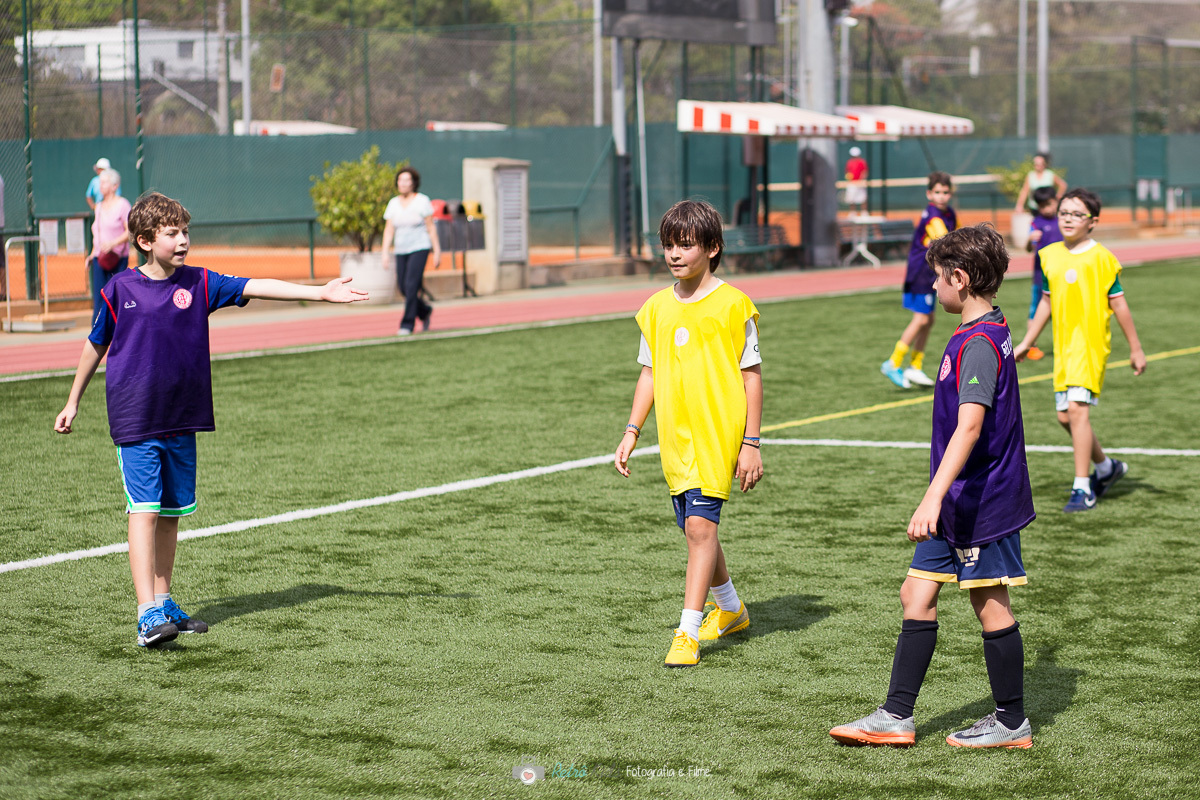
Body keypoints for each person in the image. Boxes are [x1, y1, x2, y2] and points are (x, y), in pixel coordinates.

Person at [54, 192, 369, 648]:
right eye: (172, 233)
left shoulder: (200, 283)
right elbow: (95, 344)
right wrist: (73, 400)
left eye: (185, 231)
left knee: (171, 515)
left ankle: (164, 603)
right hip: (136, 419)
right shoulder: (119, 289)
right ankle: (145, 617)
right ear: (144, 240)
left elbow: (254, 284)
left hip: (183, 418)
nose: (183, 240)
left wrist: (318, 291)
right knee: (142, 511)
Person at [830, 224, 1035, 750]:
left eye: (937, 280)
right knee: (915, 593)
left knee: (989, 603)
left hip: (979, 500)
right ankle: (896, 715)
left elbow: (970, 425)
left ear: (960, 279)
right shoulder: (981, 328)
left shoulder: (981, 343)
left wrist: (932, 496)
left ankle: (1011, 720)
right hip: (959, 499)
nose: (932, 289)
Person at [614, 199, 763, 669]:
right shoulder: (655, 308)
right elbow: (649, 373)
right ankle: (733, 610)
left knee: (700, 529)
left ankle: (687, 632)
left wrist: (751, 442)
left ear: (712, 248)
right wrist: (632, 430)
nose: (675, 254)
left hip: (718, 437)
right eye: (668, 246)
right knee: (696, 531)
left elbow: (751, 376)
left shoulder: (734, 304)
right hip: (674, 441)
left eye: (685, 244)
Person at [1014, 188, 1146, 513]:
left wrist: (1136, 348)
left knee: (1076, 411)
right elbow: (1046, 300)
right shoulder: (1049, 255)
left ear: (1093, 222)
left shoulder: (1102, 258)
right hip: (1063, 348)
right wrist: (1027, 341)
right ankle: (1106, 468)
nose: (1068, 219)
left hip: (1089, 347)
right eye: (1063, 213)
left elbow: (1119, 305)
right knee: (1064, 417)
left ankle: (1082, 487)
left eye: (1077, 214)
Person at [881, 172, 957, 389]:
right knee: (921, 319)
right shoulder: (933, 216)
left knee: (929, 320)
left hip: (931, 273)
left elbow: (958, 233)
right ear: (929, 193)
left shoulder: (949, 212)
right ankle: (893, 362)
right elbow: (947, 242)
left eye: (945, 192)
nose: (941, 196)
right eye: (937, 192)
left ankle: (915, 366)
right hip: (920, 273)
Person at [381, 167, 441, 336]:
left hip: (419, 248)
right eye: (401, 180)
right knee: (403, 287)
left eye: (407, 180)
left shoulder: (422, 201)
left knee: (411, 285)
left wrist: (437, 251)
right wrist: (385, 252)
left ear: (414, 183)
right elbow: (389, 230)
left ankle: (407, 324)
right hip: (401, 250)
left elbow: (431, 228)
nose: (404, 183)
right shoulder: (393, 203)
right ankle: (424, 311)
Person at [1022, 186, 1063, 361]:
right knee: (1036, 311)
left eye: (1049, 204)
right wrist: (1029, 241)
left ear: (1056, 201)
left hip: (1062, 275)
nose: (1047, 208)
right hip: (1041, 277)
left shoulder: (1063, 220)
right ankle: (1032, 346)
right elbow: (1028, 248)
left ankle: (1064, 344)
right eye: (1042, 205)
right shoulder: (1035, 223)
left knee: (1062, 312)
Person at [88, 168, 132, 316]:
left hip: (118, 259)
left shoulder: (123, 205)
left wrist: (113, 244)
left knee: (116, 298)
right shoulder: (98, 207)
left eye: (105, 182)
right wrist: (92, 254)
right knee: (99, 300)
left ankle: (119, 334)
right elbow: (97, 231)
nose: (101, 185)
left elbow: (130, 231)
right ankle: (97, 335)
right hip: (99, 259)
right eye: (100, 182)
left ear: (114, 186)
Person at [844, 146, 869, 217]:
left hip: (860, 183)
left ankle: (864, 212)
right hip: (852, 183)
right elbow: (847, 171)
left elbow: (864, 172)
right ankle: (853, 213)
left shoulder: (862, 162)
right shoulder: (849, 162)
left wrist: (861, 180)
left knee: (863, 198)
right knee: (851, 199)